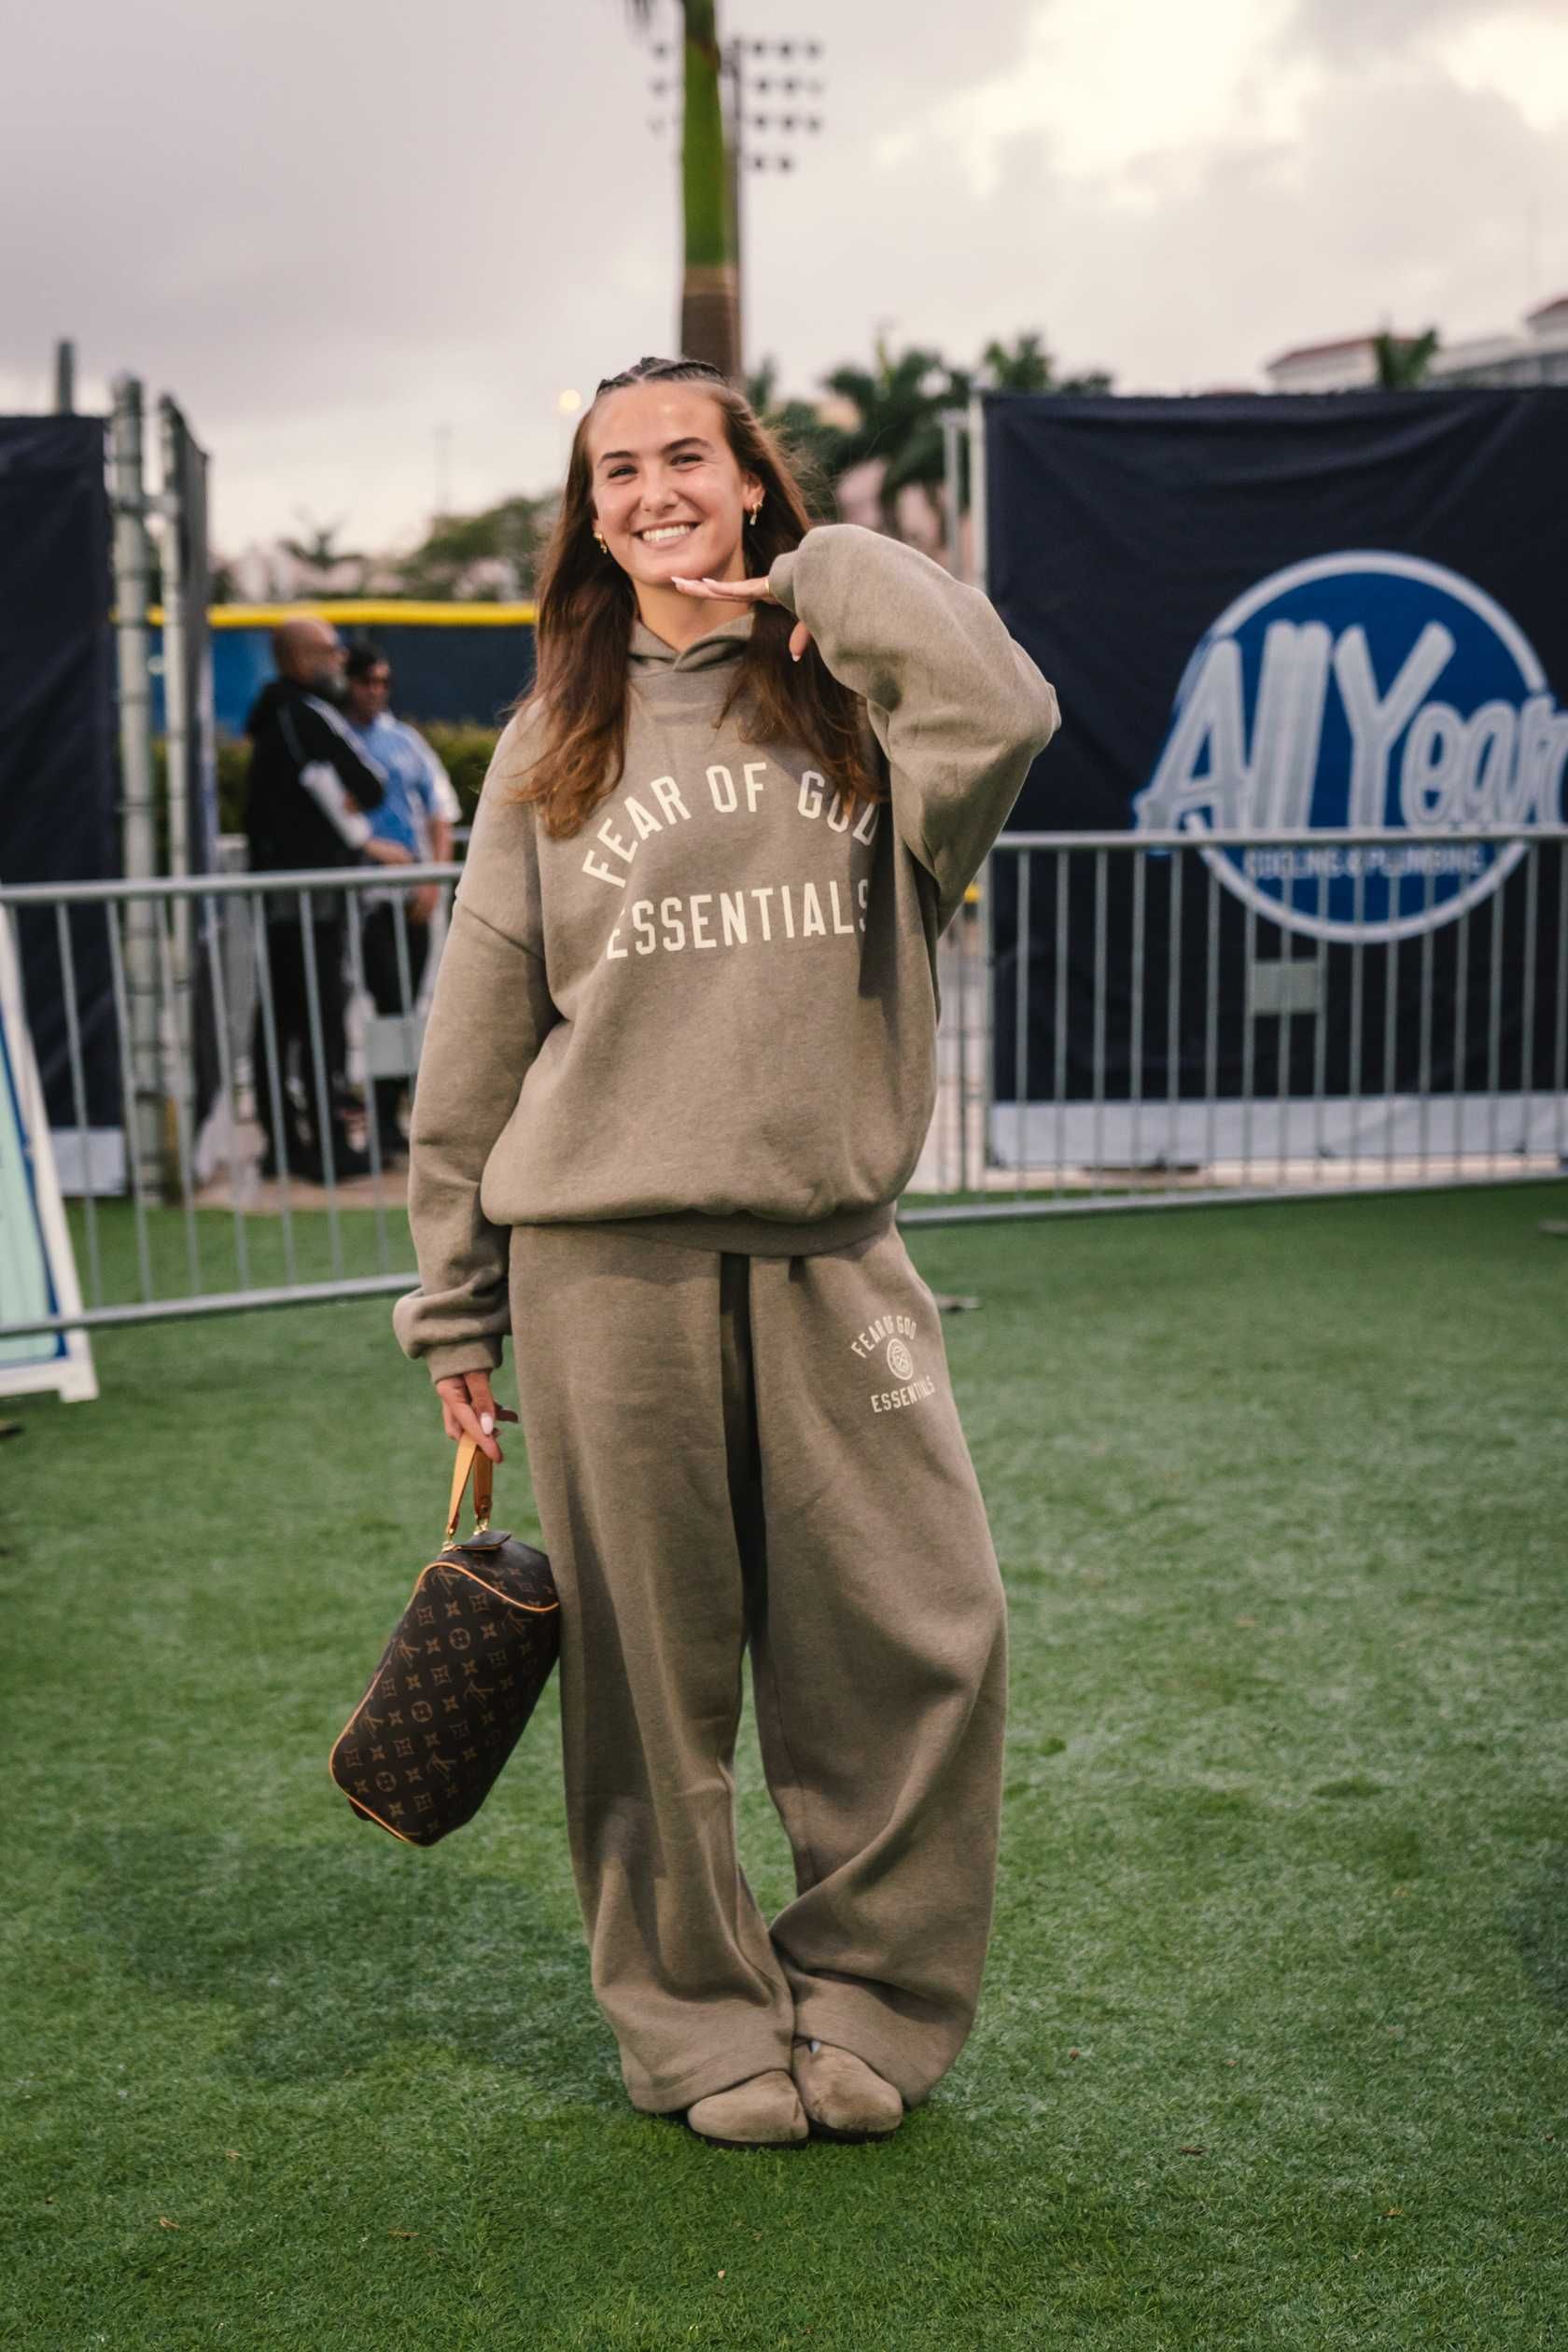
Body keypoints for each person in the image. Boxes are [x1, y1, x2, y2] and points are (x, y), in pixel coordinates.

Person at [392, 355, 1060, 2150]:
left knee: (925, 1635)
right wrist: (451, 1299)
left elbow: (1006, 707)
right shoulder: (555, 738)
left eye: (684, 455)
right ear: (588, 511)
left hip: (834, 1250)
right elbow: (479, 1041)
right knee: (646, 1686)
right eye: (614, 470)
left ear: (749, 481)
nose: (647, 491)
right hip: (599, 1274)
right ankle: (699, 2031)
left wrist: (829, 576)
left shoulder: (863, 710)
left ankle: (870, 2002)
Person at [243, 618, 413, 1181]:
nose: (342, 662)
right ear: (300, 658)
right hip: (310, 904)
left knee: (285, 1019)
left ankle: (289, 1142)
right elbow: (364, 783)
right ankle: (326, 1150)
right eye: (330, 652)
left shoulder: (276, 716)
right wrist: (365, 839)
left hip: (292, 900)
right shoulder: (303, 715)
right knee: (316, 1021)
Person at [341, 645, 461, 1160]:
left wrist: (433, 881)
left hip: (409, 896)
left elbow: (440, 812)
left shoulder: (405, 741)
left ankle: (395, 1116)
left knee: (405, 1005)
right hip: (361, 898)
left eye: (383, 682)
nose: (375, 690)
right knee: (382, 1004)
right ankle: (386, 1114)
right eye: (366, 681)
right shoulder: (339, 738)